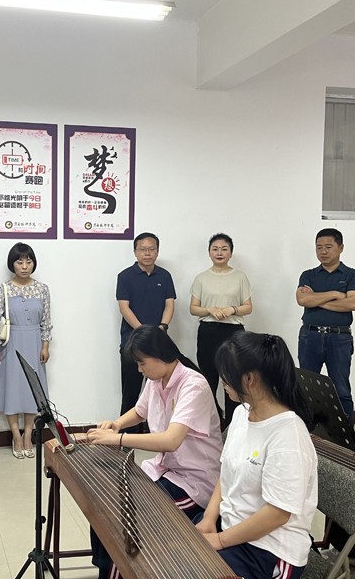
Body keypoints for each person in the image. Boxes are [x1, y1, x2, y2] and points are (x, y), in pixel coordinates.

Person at [87, 325, 222, 579]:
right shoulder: (156, 380)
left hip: (194, 482)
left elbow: (171, 441)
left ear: (159, 355)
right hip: (165, 470)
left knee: (124, 521)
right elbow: (140, 411)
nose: (140, 370)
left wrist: (118, 438)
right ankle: (106, 568)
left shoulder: (193, 385)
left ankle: (118, 571)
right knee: (105, 505)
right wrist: (116, 424)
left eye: (142, 363)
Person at [196, 331, 317, 579]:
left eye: (226, 374)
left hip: (269, 549)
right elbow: (227, 473)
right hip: (232, 528)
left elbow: (277, 514)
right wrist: (209, 517)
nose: (222, 380)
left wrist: (219, 540)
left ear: (249, 379)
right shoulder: (242, 413)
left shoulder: (288, 435)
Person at [0, 243, 52, 459]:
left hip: (34, 343)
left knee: (33, 390)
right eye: (19, 261)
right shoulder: (3, 289)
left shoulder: (42, 289)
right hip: (11, 343)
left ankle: (28, 435)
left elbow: (46, 320)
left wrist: (45, 345)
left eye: (28, 261)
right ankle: (16, 435)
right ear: (12, 264)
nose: (24, 266)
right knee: (12, 389)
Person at [296, 228, 355, 423]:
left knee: (341, 389)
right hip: (310, 336)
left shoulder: (352, 275)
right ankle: (308, 431)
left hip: (339, 338)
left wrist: (316, 299)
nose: (323, 251)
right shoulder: (308, 275)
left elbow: (353, 303)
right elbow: (302, 300)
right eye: (319, 247)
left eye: (328, 247)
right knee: (307, 387)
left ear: (341, 248)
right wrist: (335, 294)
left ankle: (346, 434)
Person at [190, 233, 253, 427]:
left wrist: (232, 309)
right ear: (209, 252)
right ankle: (210, 426)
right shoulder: (201, 278)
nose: (219, 253)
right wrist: (209, 309)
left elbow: (248, 307)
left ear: (230, 253)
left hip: (233, 333)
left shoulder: (240, 277)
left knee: (233, 380)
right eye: (215, 249)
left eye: (224, 249)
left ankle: (233, 427)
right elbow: (193, 309)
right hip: (208, 332)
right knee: (208, 380)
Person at [115, 232, 176, 432]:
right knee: (131, 393)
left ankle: (158, 433)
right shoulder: (125, 276)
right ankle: (126, 437)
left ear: (157, 251)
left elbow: (169, 305)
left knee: (162, 391)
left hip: (158, 344)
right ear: (135, 252)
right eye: (143, 249)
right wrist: (143, 332)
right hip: (131, 342)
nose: (147, 253)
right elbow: (124, 308)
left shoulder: (165, 276)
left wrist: (162, 327)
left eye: (151, 249)